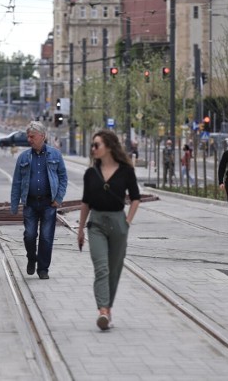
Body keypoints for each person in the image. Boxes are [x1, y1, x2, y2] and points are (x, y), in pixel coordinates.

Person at [77, 130, 140, 331]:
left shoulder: (126, 171)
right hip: (96, 224)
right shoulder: (90, 173)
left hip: (118, 223)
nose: (93, 149)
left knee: (114, 270)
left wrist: (128, 221)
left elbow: (135, 197)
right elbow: (86, 202)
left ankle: (108, 308)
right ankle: (103, 310)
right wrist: (80, 230)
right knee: (102, 268)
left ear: (109, 147)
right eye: (92, 146)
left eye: (97, 145)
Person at [10, 121, 68, 280]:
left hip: (49, 203)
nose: (29, 139)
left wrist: (59, 198)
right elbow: (16, 182)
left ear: (42, 136)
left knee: (46, 237)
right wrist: (14, 205)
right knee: (29, 235)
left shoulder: (55, 155)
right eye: (28, 136)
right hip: (30, 203)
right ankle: (31, 257)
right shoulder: (23, 157)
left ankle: (43, 269)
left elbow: (63, 178)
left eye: (32, 136)